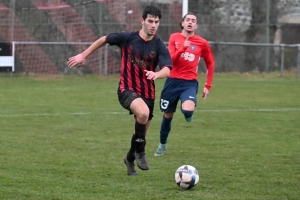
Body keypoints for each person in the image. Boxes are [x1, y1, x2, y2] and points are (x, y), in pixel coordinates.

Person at [67, 5, 172, 175]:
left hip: (148, 94)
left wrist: (157, 73)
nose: (153, 25)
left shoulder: (159, 45)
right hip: (127, 89)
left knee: (141, 128)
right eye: (150, 21)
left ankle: (130, 158)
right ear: (142, 21)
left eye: (157, 22)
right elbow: (104, 39)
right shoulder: (127, 38)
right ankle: (141, 151)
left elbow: (167, 69)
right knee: (143, 115)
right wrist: (83, 55)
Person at [154, 12, 214, 156]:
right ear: (182, 23)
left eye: (193, 21)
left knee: (187, 110)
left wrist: (208, 85)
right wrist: (182, 49)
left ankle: (189, 112)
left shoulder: (202, 42)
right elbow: (170, 60)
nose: (190, 22)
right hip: (172, 82)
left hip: (189, 83)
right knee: (167, 115)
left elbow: (210, 63)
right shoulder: (174, 38)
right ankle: (162, 144)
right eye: (187, 20)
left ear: (196, 25)